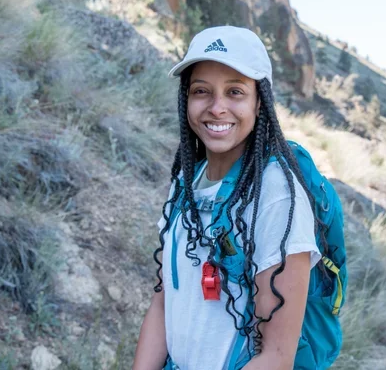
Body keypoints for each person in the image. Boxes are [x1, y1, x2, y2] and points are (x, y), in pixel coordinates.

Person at [133, 26, 321, 370]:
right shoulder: (185, 184)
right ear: (186, 99)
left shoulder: (277, 196)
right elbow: (163, 306)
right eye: (201, 91)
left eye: (235, 92)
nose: (217, 108)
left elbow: (277, 357)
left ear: (259, 101)